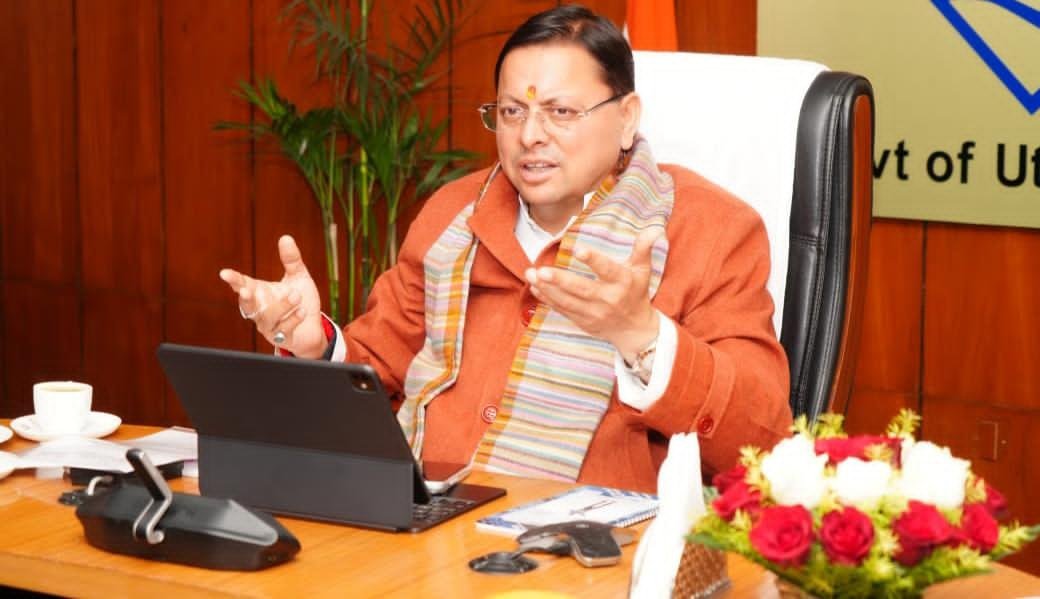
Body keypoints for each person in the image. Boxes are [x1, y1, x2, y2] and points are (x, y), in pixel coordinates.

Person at [219, 5, 791, 493]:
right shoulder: (454, 213)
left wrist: (642, 336)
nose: (530, 135)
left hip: (590, 552)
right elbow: (380, 364)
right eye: (512, 112)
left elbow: (762, 441)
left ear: (626, 119)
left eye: (560, 112)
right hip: (421, 519)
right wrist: (315, 345)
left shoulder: (711, 231)